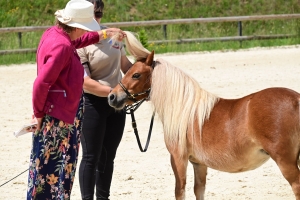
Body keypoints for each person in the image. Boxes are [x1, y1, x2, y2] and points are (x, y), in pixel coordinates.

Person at [26, 0, 126, 199]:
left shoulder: (54, 34)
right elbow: (40, 84)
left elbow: (78, 41)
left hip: (58, 113)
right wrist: (38, 115)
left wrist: (103, 33)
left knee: (45, 171)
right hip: (59, 119)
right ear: (78, 26)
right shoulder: (62, 46)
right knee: (56, 173)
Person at [76, 0, 132, 199]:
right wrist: (115, 91)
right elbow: (85, 82)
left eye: (99, 13)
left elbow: (125, 65)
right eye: (93, 14)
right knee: (91, 157)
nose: (97, 18)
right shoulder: (79, 42)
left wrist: (142, 75)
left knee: (108, 158)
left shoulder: (113, 36)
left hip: (116, 104)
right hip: (93, 104)